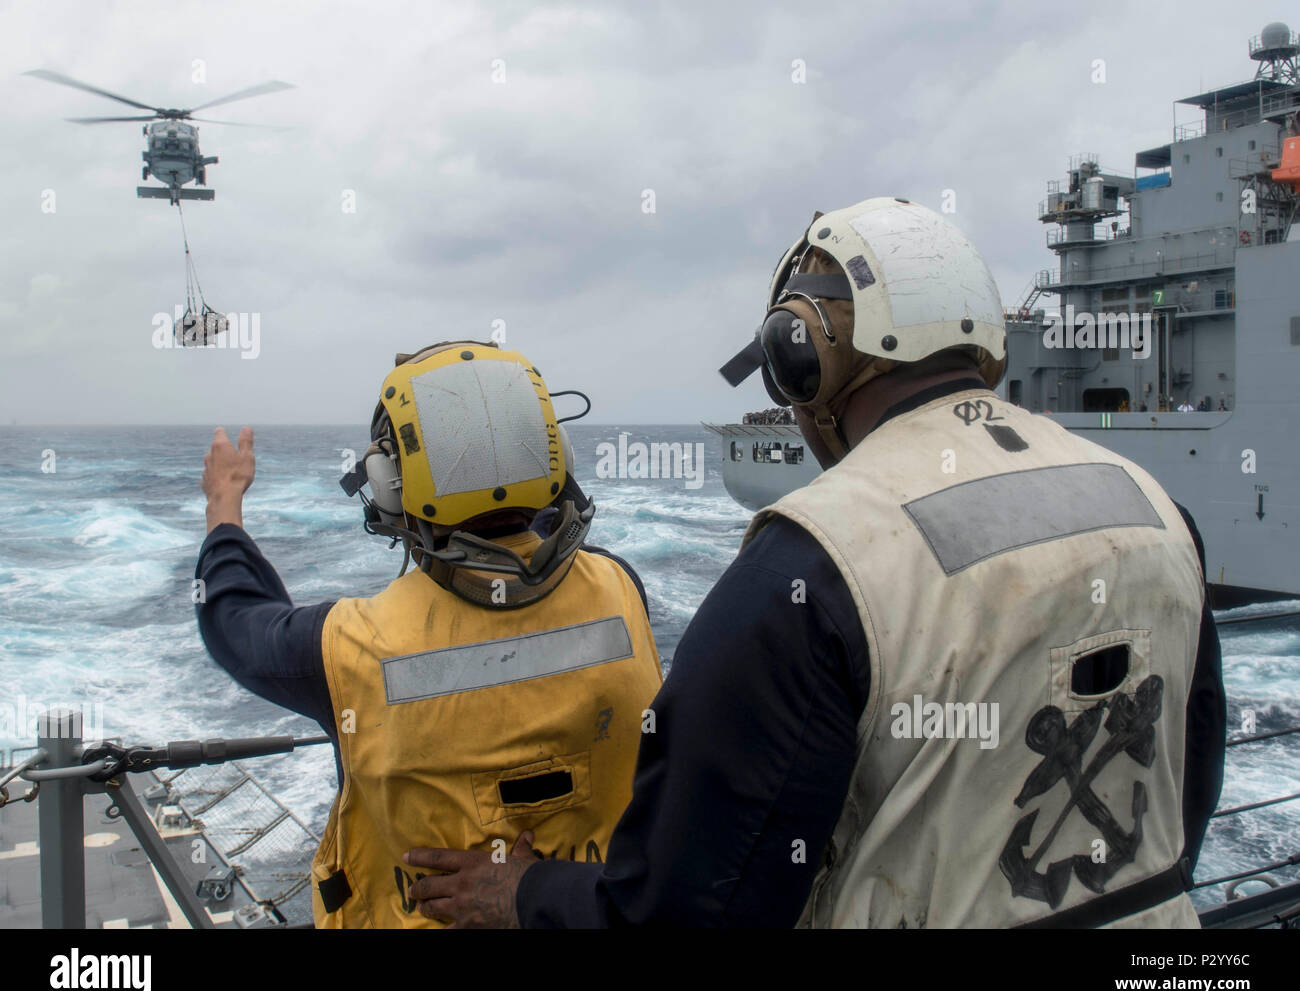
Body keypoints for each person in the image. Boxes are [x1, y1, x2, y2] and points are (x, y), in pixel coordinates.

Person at [406, 198, 1225, 929]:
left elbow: (684, 909)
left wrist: (520, 893)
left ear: (804, 357)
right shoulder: (1157, 509)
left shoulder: (811, 567)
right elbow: (1185, 801)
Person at [196, 341, 663, 928]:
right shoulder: (623, 591)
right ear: (558, 458)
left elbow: (233, 621)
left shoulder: (348, 647)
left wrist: (224, 507)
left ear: (389, 485)